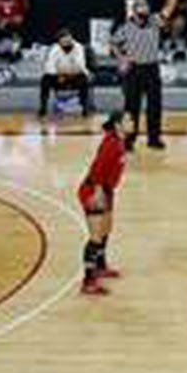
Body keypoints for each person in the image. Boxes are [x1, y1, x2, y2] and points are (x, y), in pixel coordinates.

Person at [79, 112, 129, 295]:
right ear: (118, 125)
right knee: (96, 236)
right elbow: (98, 168)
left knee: (106, 229)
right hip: (94, 191)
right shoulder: (111, 144)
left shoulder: (118, 140)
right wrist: (98, 193)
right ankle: (88, 281)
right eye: (128, 120)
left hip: (106, 191)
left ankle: (100, 267)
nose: (132, 122)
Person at [112, 0, 168, 150]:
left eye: (146, 6)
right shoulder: (125, 27)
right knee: (131, 107)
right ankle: (129, 140)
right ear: (134, 10)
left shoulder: (155, 22)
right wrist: (122, 59)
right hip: (134, 69)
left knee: (155, 106)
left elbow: (168, 8)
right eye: (141, 6)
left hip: (151, 68)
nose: (145, 9)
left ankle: (154, 139)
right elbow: (114, 44)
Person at [39, 29, 93, 117]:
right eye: (64, 41)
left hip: (74, 76)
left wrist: (70, 74)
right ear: (59, 42)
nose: (67, 43)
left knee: (84, 79)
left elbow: (80, 65)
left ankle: (85, 108)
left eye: (68, 40)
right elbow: (49, 66)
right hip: (58, 77)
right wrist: (58, 75)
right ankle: (43, 108)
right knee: (45, 79)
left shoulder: (78, 47)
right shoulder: (54, 48)